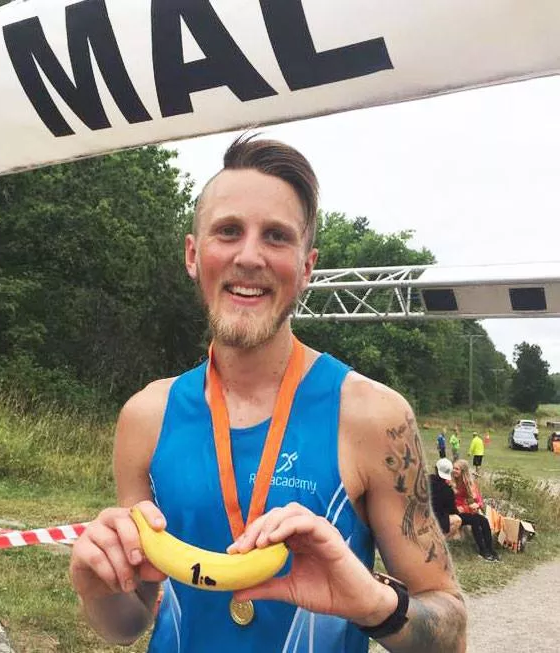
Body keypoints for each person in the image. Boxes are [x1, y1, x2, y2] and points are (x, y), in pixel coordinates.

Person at [69, 134, 466, 652]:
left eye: (276, 237)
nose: (249, 256)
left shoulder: (373, 417)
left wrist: (373, 604)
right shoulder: (146, 416)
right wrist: (97, 589)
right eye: (228, 231)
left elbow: (451, 629)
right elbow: (130, 623)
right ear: (193, 254)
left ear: (306, 267)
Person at [429, 459, 498, 562]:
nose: (454, 470)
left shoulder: (469, 483)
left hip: (465, 509)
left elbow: (479, 500)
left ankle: (491, 549)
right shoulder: (448, 481)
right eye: (453, 468)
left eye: (457, 469)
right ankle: (483, 551)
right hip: (455, 511)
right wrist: (462, 508)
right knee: (475, 520)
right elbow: (448, 503)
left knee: (484, 520)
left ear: (463, 471)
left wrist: (477, 505)